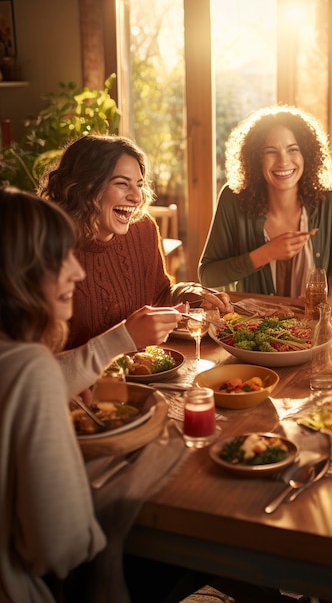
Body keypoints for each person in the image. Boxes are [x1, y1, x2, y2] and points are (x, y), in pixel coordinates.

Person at [0, 186, 106, 602]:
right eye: (58, 258)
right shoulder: (29, 367)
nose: (77, 273)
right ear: (15, 271)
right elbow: (60, 548)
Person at [38, 134, 231, 349]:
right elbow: (38, 362)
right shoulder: (45, 248)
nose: (137, 197)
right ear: (84, 187)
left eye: (139, 185)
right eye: (122, 184)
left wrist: (195, 295)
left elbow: (160, 294)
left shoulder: (143, 229)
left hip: (144, 371)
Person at [198, 105, 332, 298]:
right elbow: (207, 276)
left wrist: (318, 295)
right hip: (252, 326)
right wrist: (265, 254)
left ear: (307, 155)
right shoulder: (233, 199)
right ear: (255, 159)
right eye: (270, 152)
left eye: (293, 149)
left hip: (312, 324)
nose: (283, 161)